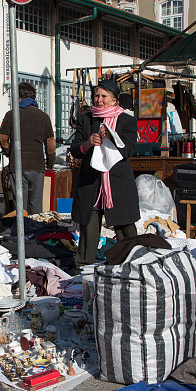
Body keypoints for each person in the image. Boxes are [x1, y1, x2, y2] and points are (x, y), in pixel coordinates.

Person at [70, 79, 140, 268]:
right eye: (96, 96)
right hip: (91, 183)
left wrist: (112, 138)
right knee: (88, 227)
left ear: (115, 100)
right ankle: (83, 267)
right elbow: (75, 149)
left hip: (118, 184)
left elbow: (128, 150)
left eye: (104, 96)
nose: (99, 100)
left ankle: (132, 263)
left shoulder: (127, 121)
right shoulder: (85, 119)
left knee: (125, 227)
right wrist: (87, 144)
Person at [0, 82, 56, 214]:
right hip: (37, 165)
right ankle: (35, 226)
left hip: (17, 164)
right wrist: (50, 162)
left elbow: (3, 138)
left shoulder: (11, 115)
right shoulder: (44, 117)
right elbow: (50, 144)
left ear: (19, 97)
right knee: (36, 203)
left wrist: (9, 152)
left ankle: (20, 226)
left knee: (19, 204)